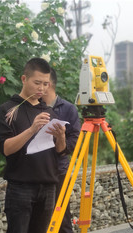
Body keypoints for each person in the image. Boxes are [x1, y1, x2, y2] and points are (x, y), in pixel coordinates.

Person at [0, 58, 66, 233]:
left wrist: (61, 136)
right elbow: (5, 149)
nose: (42, 88)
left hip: (48, 185)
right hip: (21, 186)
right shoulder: (8, 110)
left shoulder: (48, 111)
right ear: (24, 79)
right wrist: (32, 129)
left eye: (46, 84)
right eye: (37, 83)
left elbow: (61, 152)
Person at [43, 68, 81, 233]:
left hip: (59, 171)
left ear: (48, 84)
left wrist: (61, 139)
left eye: (41, 82)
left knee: (62, 218)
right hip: (35, 172)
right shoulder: (31, 107)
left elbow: (74, 142)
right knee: (39, 220)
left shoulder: (68, 109)